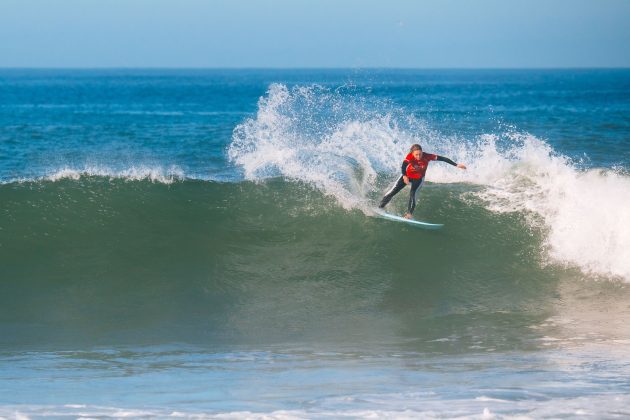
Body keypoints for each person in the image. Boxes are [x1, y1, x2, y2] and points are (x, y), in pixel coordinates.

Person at [378, 144, 466, 219]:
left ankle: (409, 214)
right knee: (393, 191)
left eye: (420, 154)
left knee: (413, 195)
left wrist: (456, 165)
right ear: (412, 153)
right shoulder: (409, 157)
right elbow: (403, 166)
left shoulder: (427, 156)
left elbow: (442, 158)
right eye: (416, 155)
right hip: (407, 176)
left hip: (418, 178)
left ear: (422, 152)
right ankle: (380, 207)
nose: (418, 156)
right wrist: (404, 176)